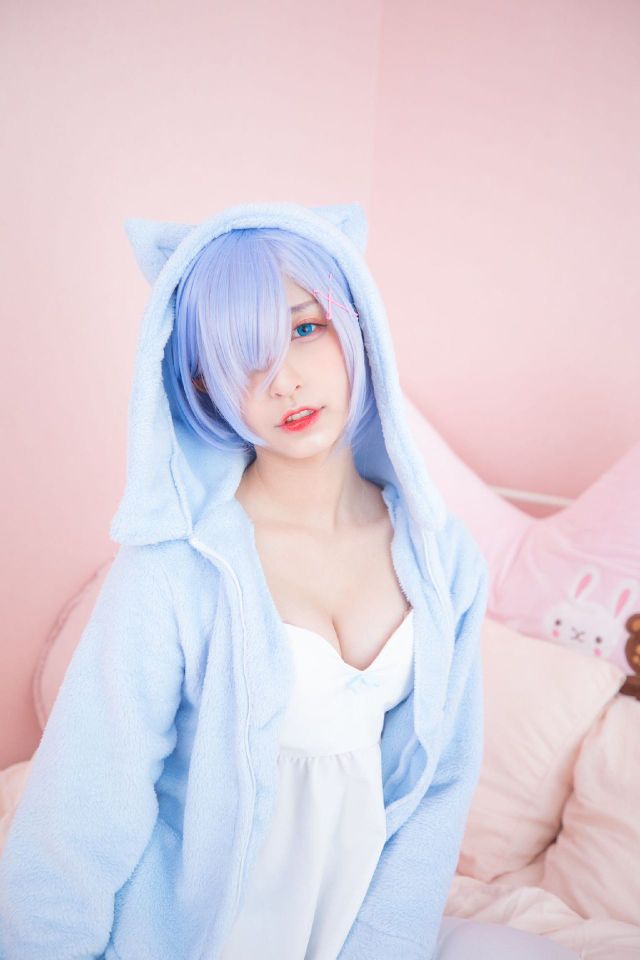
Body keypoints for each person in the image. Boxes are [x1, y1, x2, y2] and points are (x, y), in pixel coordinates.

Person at [0, 200, 579, 959]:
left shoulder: (442, 556)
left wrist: (384, 944)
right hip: (195, 936)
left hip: (356, 932)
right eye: (238, 358)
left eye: (305, 329)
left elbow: (440, 786)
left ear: (356, 324)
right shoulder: (176, 569)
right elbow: (84, 801)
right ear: (201, 385)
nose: (282, 381)